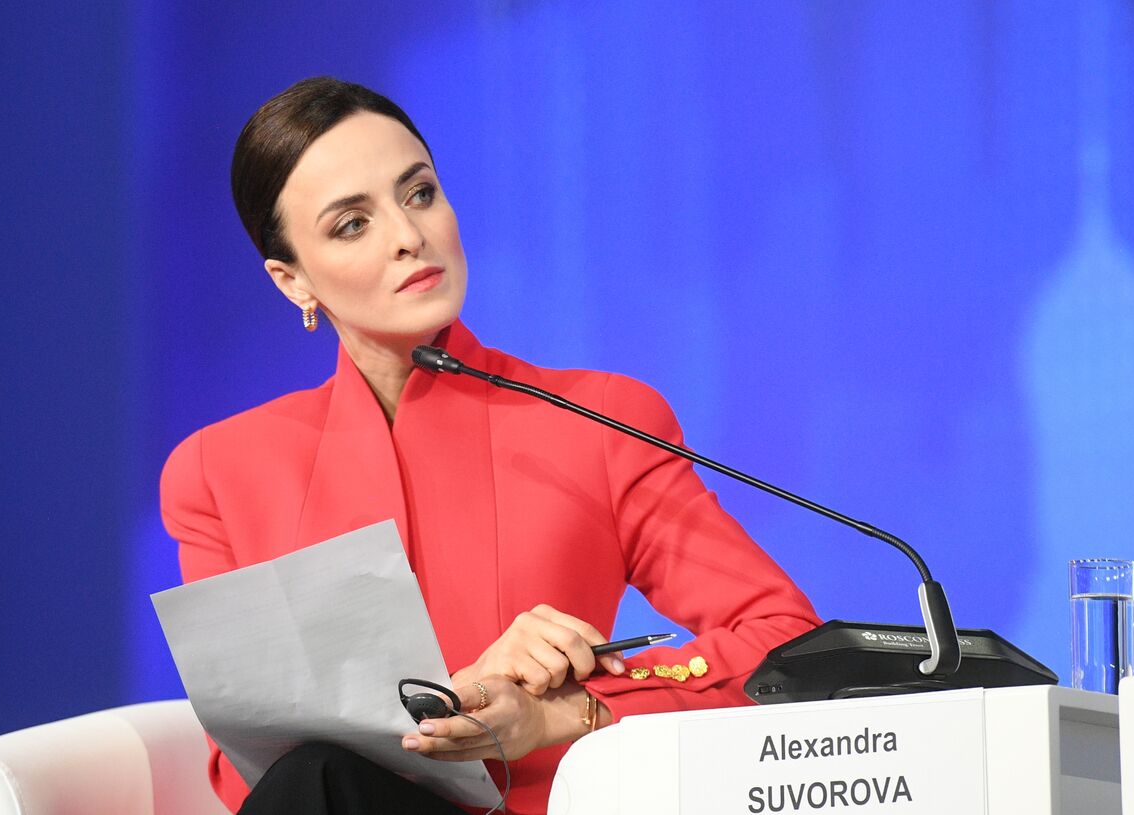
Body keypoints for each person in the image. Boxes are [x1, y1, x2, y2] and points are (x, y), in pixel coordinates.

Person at [159, 77, 820, 815]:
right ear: (292, 282)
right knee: (315, 777)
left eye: (419, 193)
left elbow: (788, 642)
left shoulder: (599, 420)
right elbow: (243, 771)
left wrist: (569, 711)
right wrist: (454, 700)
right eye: (352, 224)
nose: (409, 235)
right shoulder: (218, 474)